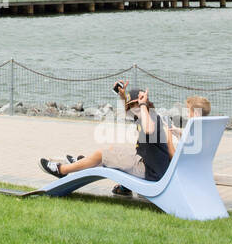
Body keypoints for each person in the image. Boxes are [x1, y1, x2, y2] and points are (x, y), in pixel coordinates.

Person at [38, 80, 173, 189]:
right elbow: (127, 112)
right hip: (148, 166)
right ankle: (83, 163)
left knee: (100, 155)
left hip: (148, 170)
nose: (134, 107)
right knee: (111, 150)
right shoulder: (145, 116)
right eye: (133, 105)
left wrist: (143, 104)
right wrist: (122, 95)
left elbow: (149, 129)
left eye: (137, 104)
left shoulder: (151, 117)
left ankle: (61, 170)